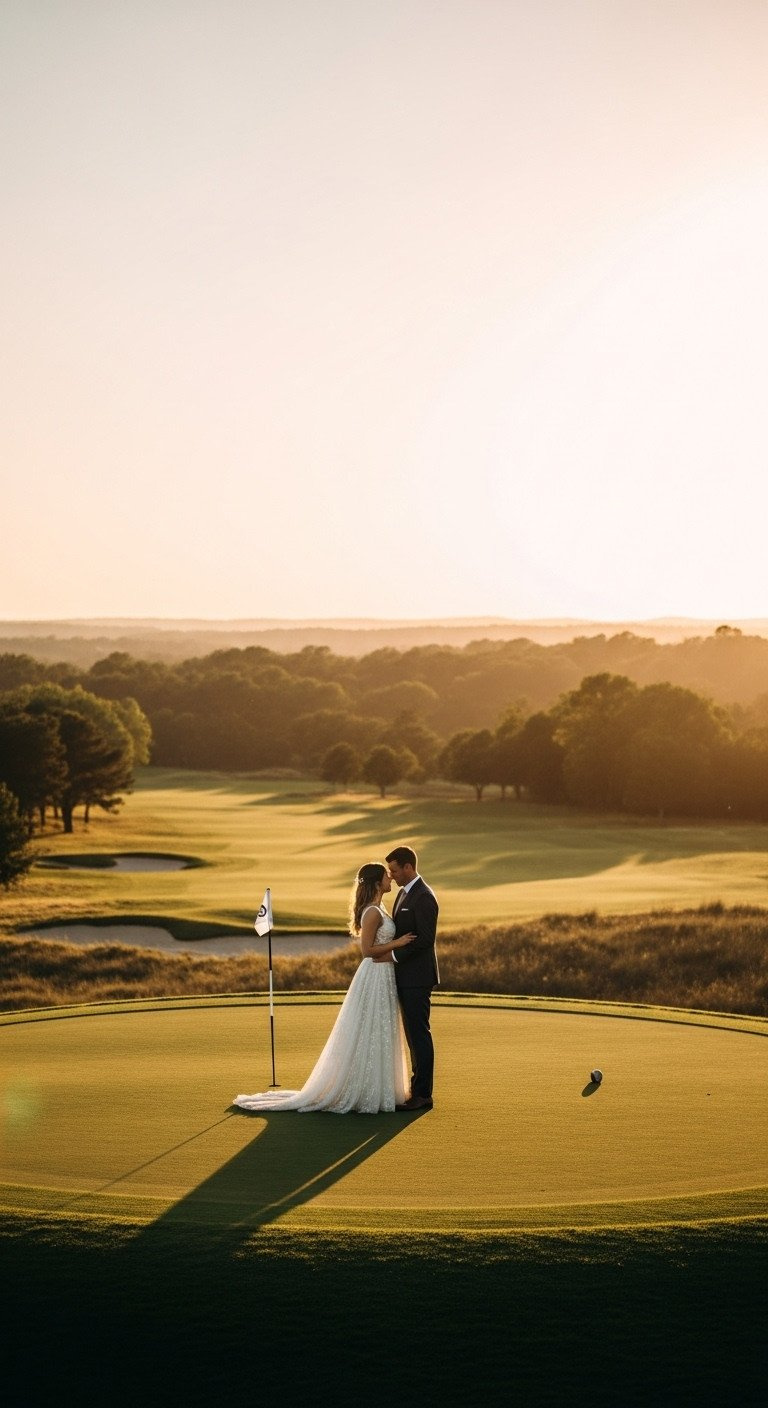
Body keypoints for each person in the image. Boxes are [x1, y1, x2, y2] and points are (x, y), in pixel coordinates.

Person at [232, 862, 416, 1114]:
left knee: (380, 1027)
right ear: (376, 883)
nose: (391, 879)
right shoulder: (372, 912)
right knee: (370, 1027)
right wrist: (398, 942)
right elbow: (367, 951)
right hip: (374, 974)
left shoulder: (379, 907)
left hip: (384, 974)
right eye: (386, 876)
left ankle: (379, 1087)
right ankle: (364, 1090)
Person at [375, 845, 439, 1112]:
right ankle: (417, 1088)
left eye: (394, 870)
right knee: (413, 1035)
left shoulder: (424, 897)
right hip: (405, 977)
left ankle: (423, 1094)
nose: (392, 875)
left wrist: (393, 957)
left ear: (408, 867)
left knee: (419, 1034)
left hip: (417, 977)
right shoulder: (404, 893)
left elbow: (424, 940)